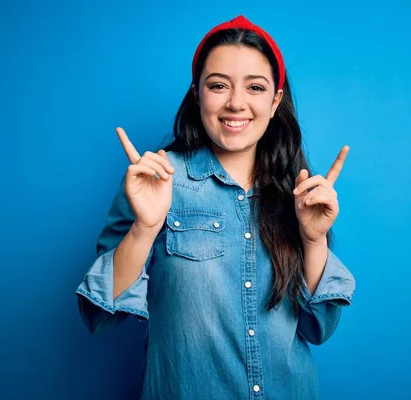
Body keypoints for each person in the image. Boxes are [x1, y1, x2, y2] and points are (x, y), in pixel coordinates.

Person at [75, 15, 356, 400]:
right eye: (218, 85)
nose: (236, 103)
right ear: (197, 94)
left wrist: (314, 239)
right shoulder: (155, 179)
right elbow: (101, 316)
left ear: (275, 101)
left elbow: (318, 328)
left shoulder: (299, 193)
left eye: (255, 87)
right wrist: (144, 227)